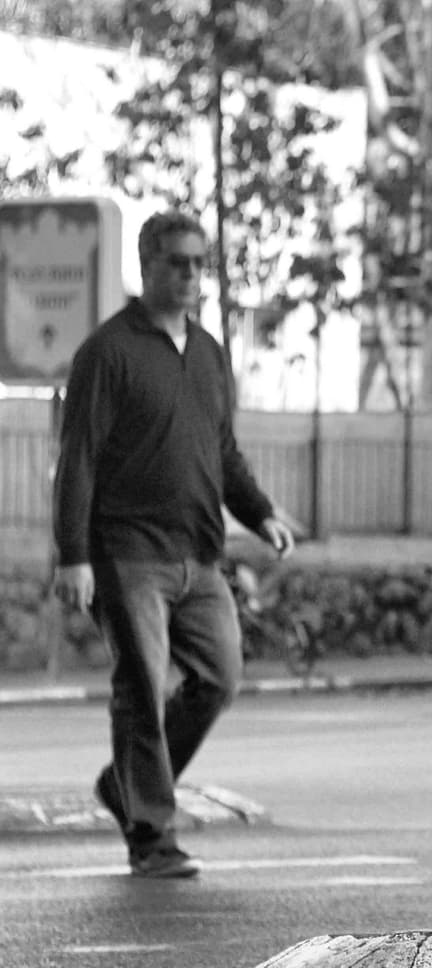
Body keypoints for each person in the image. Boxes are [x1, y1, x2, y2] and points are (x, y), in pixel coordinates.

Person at [51, 209, 297, 880]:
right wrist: (73, 555)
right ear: (148, 265)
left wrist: (260, 510)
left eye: (198, 263)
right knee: (142, 687)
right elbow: (78, 460)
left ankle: (127, 786)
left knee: (220, 677)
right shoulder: (107, 351)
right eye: (178, 263)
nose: (191, 275)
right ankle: (151, 832)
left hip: (201, 553)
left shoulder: (210, 351)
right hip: (128, 554)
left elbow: (222, 452)